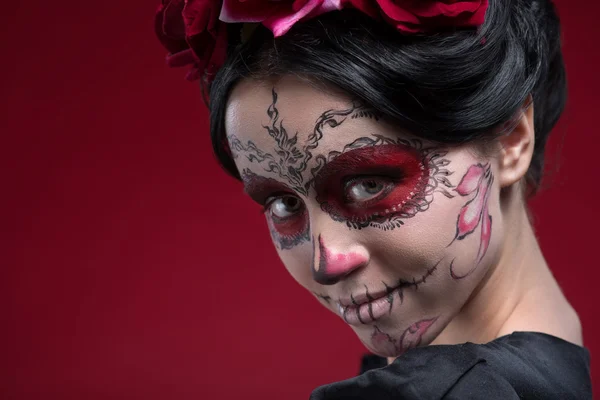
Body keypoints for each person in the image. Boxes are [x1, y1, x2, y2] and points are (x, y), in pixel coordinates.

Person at [155, 0, 592, 398]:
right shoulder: (555, 352)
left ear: (512, 139)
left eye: (368, 185)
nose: (326, 263)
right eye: (283, 203)